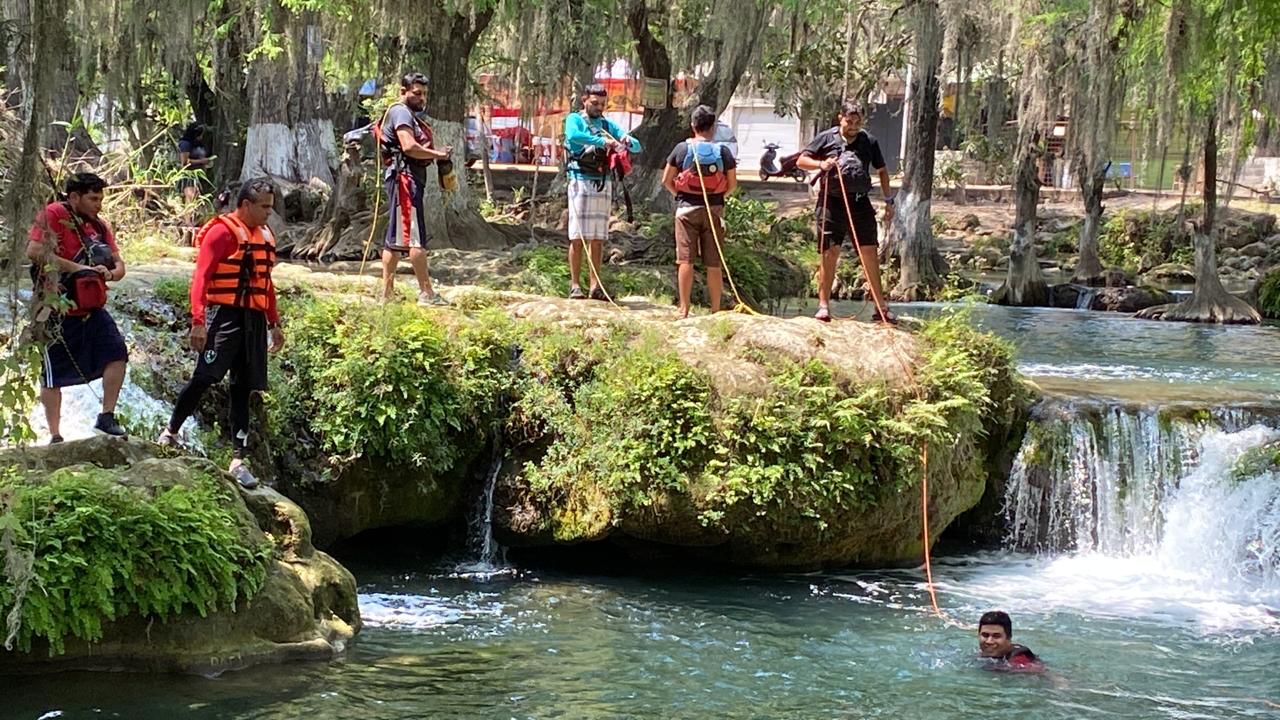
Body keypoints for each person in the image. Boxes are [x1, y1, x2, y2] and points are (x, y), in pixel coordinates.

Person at [156, 178, 284, 489]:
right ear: (245, 205)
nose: (270, 212)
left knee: (244, 387)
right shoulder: (221, 233)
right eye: (265, 206)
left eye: (271, 206)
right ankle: (170, 432)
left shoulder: (265, 235)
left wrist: (274, 323)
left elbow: (265, 283)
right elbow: (201, 278)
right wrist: (198, 321)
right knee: (206, 377)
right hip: (223, 316)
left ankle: (238, 460)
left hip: (252, 319)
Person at [26, 172, 129, 442]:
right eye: (93, 198)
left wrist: (110, 274)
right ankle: (55, 434)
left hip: (92, 308)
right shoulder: (53, 214)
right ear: (74, 197)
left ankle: (106, 416)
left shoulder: (100, 227)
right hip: (55, 309)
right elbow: (34, 251)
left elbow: (120, 266)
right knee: (52, 375)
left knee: (117, 353)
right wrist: (79, 268)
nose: (99, 204)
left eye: (101, 198)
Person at [796, 101, 897, 323]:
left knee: (869, 252)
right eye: (849, 122)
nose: (853, 126)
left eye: (857, 122)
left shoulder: (869, 141)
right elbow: (802, 160)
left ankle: (880, 307)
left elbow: (882, 171)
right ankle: (823, 306)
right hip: (831, 203)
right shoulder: (826, 138)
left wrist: (889, 200)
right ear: (840, 118)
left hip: (860, 202)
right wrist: (821, 165)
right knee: (829, 252)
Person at [563, 83, 641, 300]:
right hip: (580, 182)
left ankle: (595, 286)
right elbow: (574, 137)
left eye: (602, 104)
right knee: (577, 237)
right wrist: (603, 141)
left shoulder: (607, 124)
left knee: (598, 238)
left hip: (603, 183)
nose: (598, 107)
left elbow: (636, 147)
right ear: (584, 101)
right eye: (594, 103)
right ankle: (575, 285)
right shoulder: (575, 119)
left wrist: (626, 140)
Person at [379, 72, 452, 306]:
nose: (422, 98)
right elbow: (409, 146)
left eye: (425, 94)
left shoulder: (409, 114)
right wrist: (438, 154)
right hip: (404, 180)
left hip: (406, 179)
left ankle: (387, 295)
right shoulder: (400, 111)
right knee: (415, 238)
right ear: (403, 91)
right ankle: (427, 293)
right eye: (417, 93)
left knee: (396, 239)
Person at [661, 105, 737, 318]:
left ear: (692, 125)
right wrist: (718, 199)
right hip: (714, 211)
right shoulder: (723, 151)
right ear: (713, 127)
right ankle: (715, 309)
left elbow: (666, 180)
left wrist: (681, 195)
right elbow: (732, 184)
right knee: (714, 262)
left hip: (686, 210)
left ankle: (684, 309)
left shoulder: (681, 149)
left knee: (685, 260)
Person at [977, 610, 1044, 671]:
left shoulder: (1020, 660)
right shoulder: (980, 653)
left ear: (1009, 638)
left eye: (996, 636)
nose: (989, 641)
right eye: (985, 635)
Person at [177, 122, 213, 207]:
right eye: (200, 135)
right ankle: (187, 220)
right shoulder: (185, 144)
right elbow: (185, 162)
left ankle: (192, 219)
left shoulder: (197, 144)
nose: (201, 137)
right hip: (189, 176)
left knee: (196, 200)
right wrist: (201, 161)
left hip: (198, 177)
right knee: (190, 199)